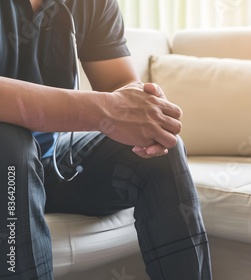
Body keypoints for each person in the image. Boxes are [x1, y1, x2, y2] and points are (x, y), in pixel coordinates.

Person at [0, 0, 211, 279]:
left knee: (159, 150)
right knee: (10, 142)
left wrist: (142, 108)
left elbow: (117, 85)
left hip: (48, 160)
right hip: (10, 164)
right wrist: (107, 107)